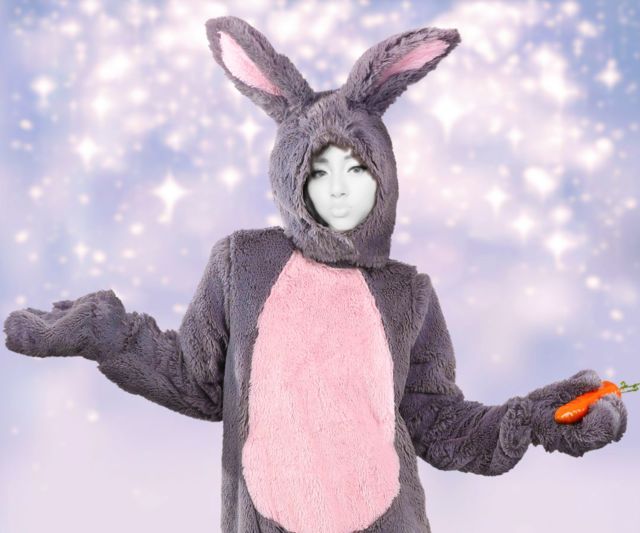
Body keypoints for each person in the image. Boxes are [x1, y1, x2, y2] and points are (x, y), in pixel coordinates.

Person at [3, 15, 627, 533]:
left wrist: (537, 418)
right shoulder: (243, 266)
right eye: (320, 170)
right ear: (291, 174)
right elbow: (195, 381)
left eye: (356, 168)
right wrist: (101, 331)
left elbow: (439, 423)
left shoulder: (407, 293)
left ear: (383, 173)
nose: (339, 188)